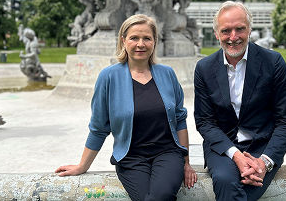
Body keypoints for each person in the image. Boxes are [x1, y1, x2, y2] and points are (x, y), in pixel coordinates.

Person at [56, 14, 197, 200]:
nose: (141, 44)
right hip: (131, 158)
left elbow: (180, 120)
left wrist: (186, 162)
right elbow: (98, 128)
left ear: (154, 41)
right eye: (134, 38)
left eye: (147, 38)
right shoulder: (108, 77)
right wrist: (83, 166)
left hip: (167, 154)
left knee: (159, 196)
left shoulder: (167, 74)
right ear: (123, 41)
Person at [194, 1, 286, 201]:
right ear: (216, 34)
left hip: (263, 146)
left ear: (249, 29)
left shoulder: (274, 62)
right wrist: (237, 156)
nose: (233, 37)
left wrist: (265, 163)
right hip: (222, 146)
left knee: (241, 186)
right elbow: (205, 122)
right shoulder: (204, 68)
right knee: (225, 180)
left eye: (239, 29)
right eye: (226, 31)